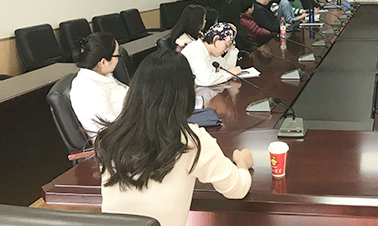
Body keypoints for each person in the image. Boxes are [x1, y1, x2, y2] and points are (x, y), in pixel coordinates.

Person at [96, 49, 253, 226]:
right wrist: (242, 163)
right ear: (185, 92)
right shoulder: (191, 139)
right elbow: (237, 189)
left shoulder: (110, 137)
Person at [69, 32, 128, 138]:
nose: (118, 59)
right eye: (117, 55)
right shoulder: (89, 90)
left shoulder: (101, 75)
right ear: (103, 62)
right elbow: (109, 130)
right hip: (120, 141)